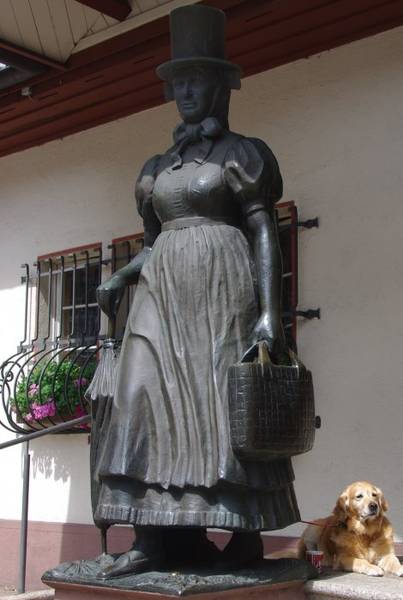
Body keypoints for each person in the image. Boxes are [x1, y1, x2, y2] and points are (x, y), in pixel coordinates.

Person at [93, 4, 299, 579]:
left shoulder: (244, 154)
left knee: (217, 404)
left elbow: (264, 232)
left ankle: (243, 537)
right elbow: (153, 243)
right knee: (139, 398)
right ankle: (151, 538)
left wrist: (270, 313)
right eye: (178, 82)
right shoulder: (158, 167)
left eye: (195, 81)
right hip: (160, 296)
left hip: (221, 291)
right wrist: (121, 276)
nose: (184, 92)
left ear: (220, 88)